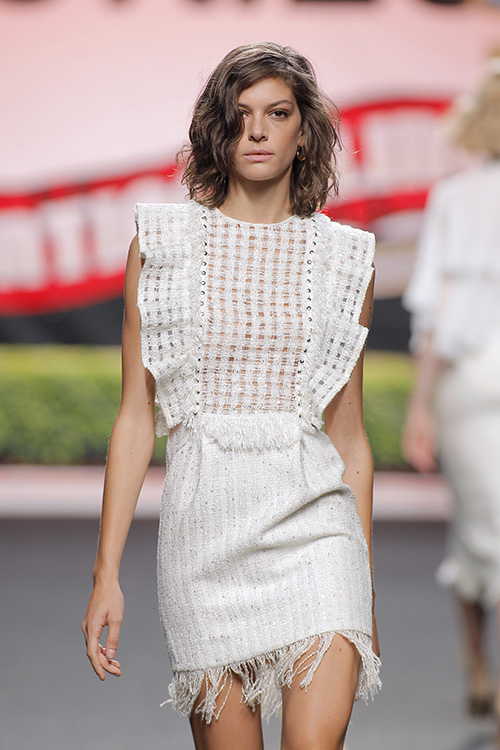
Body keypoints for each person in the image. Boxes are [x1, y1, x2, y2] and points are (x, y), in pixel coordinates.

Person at [82, 42, 381, 750]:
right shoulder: (163, 246)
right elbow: (135, 418)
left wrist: (361, 590)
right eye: (241, 114)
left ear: (303, 130)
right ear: (220, 126)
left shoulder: (346, 260)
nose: (257, 131)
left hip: (317, 532)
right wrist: (106, 573)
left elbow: (350, 439)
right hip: (203, 537)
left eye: (277, 114)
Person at [402, 58, 500, 736]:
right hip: (470, 381)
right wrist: (418, 406)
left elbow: (432, 309)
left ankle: (477, 668)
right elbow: (433, 308)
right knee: (484, 527)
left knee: (483, 529)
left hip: (467, 381)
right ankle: (475, 666)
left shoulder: (457, 197)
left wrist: (417, 406)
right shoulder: (457, 196)